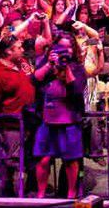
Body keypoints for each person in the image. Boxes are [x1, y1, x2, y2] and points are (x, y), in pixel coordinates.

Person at [32, 33, 86, 198]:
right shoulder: (48, 64)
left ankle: (71, 194)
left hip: (69, 121)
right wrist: (49, 64)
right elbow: (34, 80)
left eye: (69, 47)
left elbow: (76, 91)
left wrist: (66, 68)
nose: (66, 51)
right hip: (48, 120)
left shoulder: (77, 68)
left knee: (70, 160)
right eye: (61, 47)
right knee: (43, 159)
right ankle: (41, 195)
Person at [0, 35, 35, 194]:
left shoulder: (22, 63)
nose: (23, 50)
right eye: (19, 48)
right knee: (8, 163)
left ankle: (27, 190)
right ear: (8, 51)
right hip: (11, 125)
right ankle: (6, 194)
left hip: (29, 121)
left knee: (29, 159)